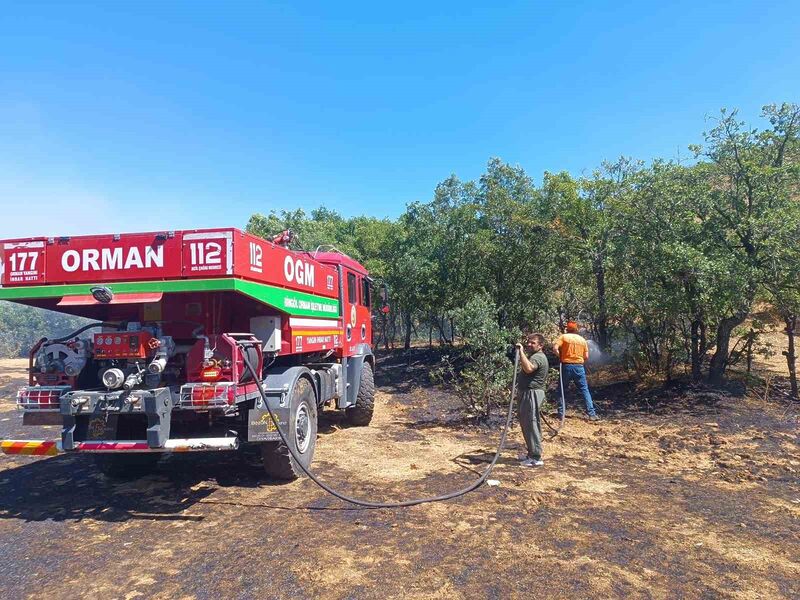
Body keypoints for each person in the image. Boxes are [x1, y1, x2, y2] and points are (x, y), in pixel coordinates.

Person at [514, 332, 549, 467]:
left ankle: (535, 457)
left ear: (540, 345)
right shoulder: (535, 356)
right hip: (528, 393)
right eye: (528, 342)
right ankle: (531, 453)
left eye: (532, 343)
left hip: (532, 394)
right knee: (527, 423)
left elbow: (528, 369)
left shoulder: (539, 357)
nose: (529, 344)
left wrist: (521, 352)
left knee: (531, 423)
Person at [553, 321, 599, 420]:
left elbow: (555, 348)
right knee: (584, 390)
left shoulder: (563, 337)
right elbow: (586, 356)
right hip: (579, 367)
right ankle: (592, 414)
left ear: (567, 329)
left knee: (562, 390)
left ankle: (561, 414)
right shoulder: (582, 340)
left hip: (566, 366)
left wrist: (560, 356)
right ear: (576, 329)